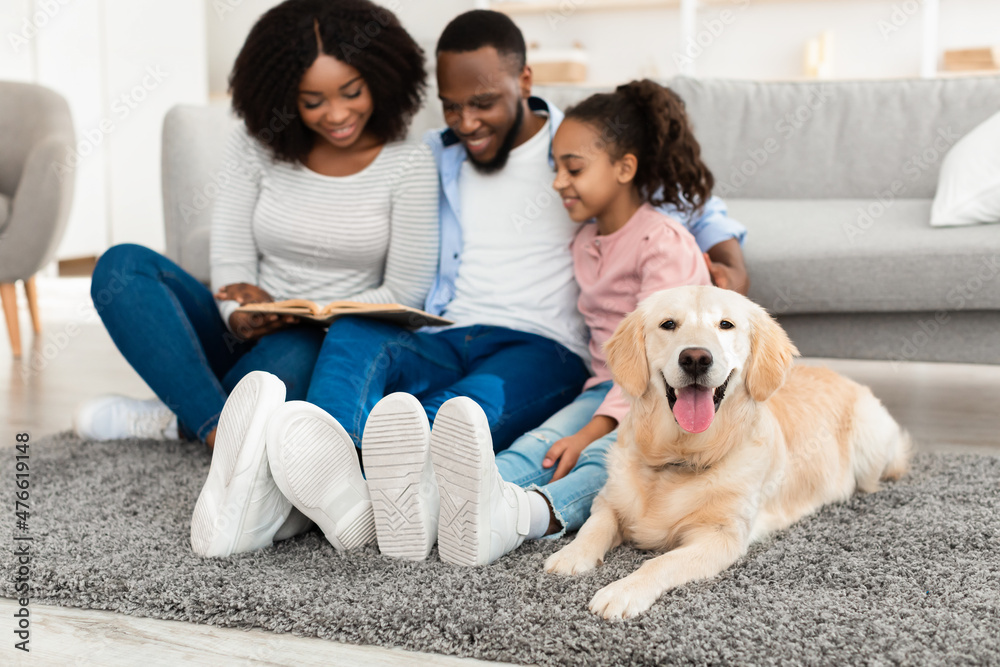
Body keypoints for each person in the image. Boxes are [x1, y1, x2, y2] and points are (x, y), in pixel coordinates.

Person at [191, 10, 746, 562]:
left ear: (524, 83)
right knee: (358, 332)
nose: (467, 121)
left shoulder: (578, 146)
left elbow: (675, 197)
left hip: (541, 345)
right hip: (447, 329)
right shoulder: (436, 154)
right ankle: (324, 472)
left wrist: (726, 258)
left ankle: (306, 495)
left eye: (483, 103)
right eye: (452, 106)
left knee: (445, 419)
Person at [74, 0, 438, 455]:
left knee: (291, 361)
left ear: (381, 80)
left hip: (327, 342)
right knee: (121, 266)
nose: (338, 114)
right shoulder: (256, 147)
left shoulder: (410, 163)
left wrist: (308, 311)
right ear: (285, 97)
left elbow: (407, 292)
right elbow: (231, 263)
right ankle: (219, 432)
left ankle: (183, 414)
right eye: (312, 101)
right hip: (246, 330)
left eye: (352, 92)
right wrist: (240, 317)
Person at [430, 79, 714, 565]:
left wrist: (590, 432)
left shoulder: (661, 242)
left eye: (573, 168)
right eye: (556, 167)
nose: (558, 181)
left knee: (602, 459)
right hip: (604, 387)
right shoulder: (584, 240)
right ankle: (435, 502)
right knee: (537, 446)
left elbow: (652, 358)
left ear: (625, 168)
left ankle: (526, 514)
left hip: (666, 394)